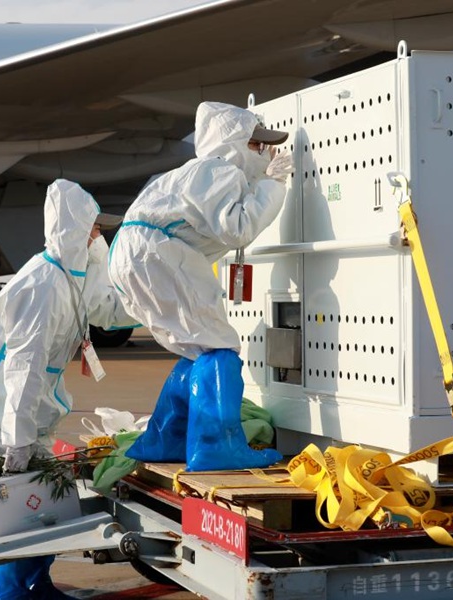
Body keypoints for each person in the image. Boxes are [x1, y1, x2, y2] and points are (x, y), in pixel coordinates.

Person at [0, 178, 134, 600]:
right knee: (19, 503)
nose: (98, 235)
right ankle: (9, 592)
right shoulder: (44, 286)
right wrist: (17, 441)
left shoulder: (69, 278)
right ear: (73, 229)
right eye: (92, 227)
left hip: (25, 401)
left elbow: (107, 308)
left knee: (42, 499)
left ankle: (36, 583)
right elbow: (24, 368)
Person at [108, 101, 294, 472]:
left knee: (198, 348)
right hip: (159, 254)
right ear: (233, 143)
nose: (262, 153)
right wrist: (272, 185)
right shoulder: (218, 170)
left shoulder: (195, 173)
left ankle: (164, 438)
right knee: (220, 347)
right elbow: (237, 227)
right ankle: (216, 446)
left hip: (137, 255)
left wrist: (259, 180)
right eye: (256, 145)